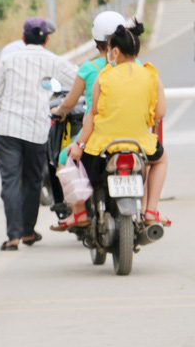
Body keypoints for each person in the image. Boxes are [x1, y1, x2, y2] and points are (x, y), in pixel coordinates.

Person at [62, 20, 170, 228]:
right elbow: (160, 113)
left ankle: (81, 213)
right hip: (140, 144)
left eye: (110, 49)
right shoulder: (152, 74)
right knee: (161, 160)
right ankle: (151, 210)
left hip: (102, 147)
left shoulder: (103, 77)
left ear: (116, 52)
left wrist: (79, 145)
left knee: (69, 157)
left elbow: (92, 116)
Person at [0, 18, 77, 250]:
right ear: (47, 39)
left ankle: (13, 236)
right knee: (32, 181)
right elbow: (80, 78)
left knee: (10, 181)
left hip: (6, 128)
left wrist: (4, 113)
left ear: (23, 38)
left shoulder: (8, 60)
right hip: (36, 130)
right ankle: (28, 231)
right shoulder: (53, 61)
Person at [48, 11, 126, 230]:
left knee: (64, 157)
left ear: (96, 41)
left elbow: (70, 102)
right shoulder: (135, 65)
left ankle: (79, 212)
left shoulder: (90, 69)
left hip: (97, 134)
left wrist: (59, 110)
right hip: (131, 132)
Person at [0, 21, 56, 208]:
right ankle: (17, 196)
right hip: (13, 113)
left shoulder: (10, 48)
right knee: (16, 156)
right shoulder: (36, 55)